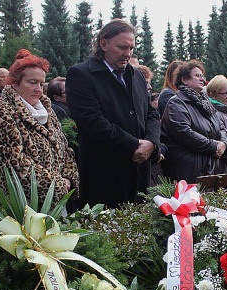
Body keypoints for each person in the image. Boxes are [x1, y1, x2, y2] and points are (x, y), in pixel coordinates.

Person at [66, 19, 161, 208]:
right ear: (103, 44)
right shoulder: (81, 75)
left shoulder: (137, 76)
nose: (128, 54)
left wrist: (152, 143)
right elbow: (92, 122)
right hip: (105, 178)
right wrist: (133, 145)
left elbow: (151, 114)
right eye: (122, 47)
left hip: (140, 176)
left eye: (131, 48)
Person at [0, 49, 78, 204]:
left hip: (56, 198)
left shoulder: (46, 109)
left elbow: (64, 147)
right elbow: (14, 161)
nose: (39, 89)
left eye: (42, 84)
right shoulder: (1, 111)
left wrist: (69, 178)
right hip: (22, 202)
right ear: (14, 83)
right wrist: (57, 185)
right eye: (32, 82)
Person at [161, 60, 227, 182]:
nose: (202, 79)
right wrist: (213, 146)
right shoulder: (176, 103)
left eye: (202, 76)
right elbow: (183, 132)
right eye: (197, 75)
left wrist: (223, 143)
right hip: (188, 170)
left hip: (210, 166)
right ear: (184, 80)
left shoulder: (206, 103)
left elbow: (221, 126)